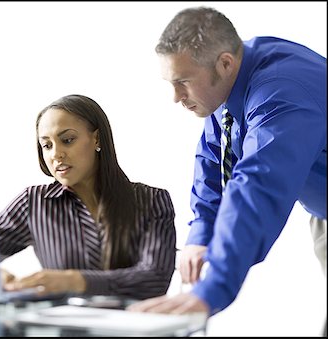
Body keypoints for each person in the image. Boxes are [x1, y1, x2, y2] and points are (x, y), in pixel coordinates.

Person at [127, 5, 327, 329]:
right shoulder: (230, 80)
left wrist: (212, 290)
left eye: (183, 82)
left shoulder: (281, 94)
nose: (175, 97)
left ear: (224, 63)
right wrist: (201, 234)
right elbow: (213, 157)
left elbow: (257, 187)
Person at [0, 94, 177, 300]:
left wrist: (75, 281)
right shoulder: (33, 202)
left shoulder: (151, 200)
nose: (56, 154)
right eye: (47, 145)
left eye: (67, 140)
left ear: (96, 138)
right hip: (64, 328)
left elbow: (155, 279)